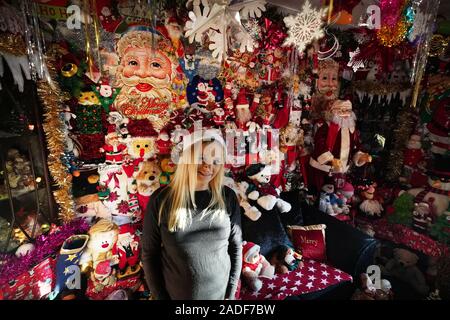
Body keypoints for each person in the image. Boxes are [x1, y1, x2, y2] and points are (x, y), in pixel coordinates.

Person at [141, 130, 242, 300]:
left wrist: (230, 294)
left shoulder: (228, 197)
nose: (209, 166)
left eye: (216, 161)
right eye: (202, 158)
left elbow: (236, 248)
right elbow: (149, 254)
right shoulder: (161, 200)